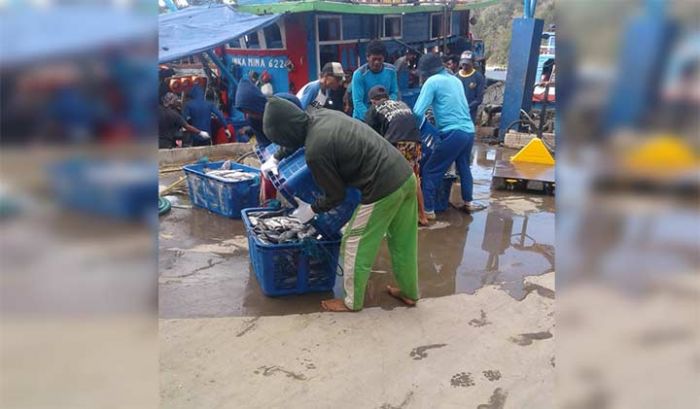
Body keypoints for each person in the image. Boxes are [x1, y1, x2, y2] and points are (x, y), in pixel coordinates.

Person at [262, 97, 419, 312]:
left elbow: (336, 195)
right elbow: (296, 136)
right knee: (403, 241)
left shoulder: (316, 150)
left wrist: (311, 209)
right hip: (406, 176)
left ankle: (351, 302)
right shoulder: (319, 114)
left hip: (382, 187)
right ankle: (409, 293)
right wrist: (277, 157)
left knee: (354, 242)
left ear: (286, 132)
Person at [412, 53, 485, 216]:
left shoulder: (432, 82)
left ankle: (428, 210)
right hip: (468, 131)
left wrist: (414, 133)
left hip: (452, 132)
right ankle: (468, 202)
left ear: (427, 72)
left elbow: (417, 112)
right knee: (463, 166)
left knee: (431, 170)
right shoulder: (455, 80)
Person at [364, 85, 429, 226]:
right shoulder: (401, 104)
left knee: (390, 180)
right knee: (414, 179)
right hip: (415, 141)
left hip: (396, 143)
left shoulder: (375, 108)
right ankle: (422, 216)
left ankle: (388, 218)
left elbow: (368, 133)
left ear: (373, 100)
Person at [234, 79, 303, 202]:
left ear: (257, 104)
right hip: (278, 147)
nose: (250, 115)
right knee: (268, 174)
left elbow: (301, 129)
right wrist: (269, 161)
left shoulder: (287, 102)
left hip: (299, 142)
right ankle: (269, 204)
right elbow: (265, 144)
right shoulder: (253, 120)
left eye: (251, 111)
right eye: (246, 112)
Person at [351, 40, 399, 120]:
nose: (376, 62)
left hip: (384, 116)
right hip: (363, 118)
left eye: (379, 59)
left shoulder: (391, 71)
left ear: (384, 58)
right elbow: (358, 102)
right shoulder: (359, 74)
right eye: (374, 59)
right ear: (367, 57)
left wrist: (385, 110)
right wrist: (371, 119)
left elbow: (394, 92)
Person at [456, 51, 486, 124]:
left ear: (473, 63)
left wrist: (467, 108)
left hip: (470, 112)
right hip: (457, 111)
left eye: (467, 64)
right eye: (463, 64)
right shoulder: (456, 77)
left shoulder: (478, 77)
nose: (465, 67)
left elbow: (479, 98)